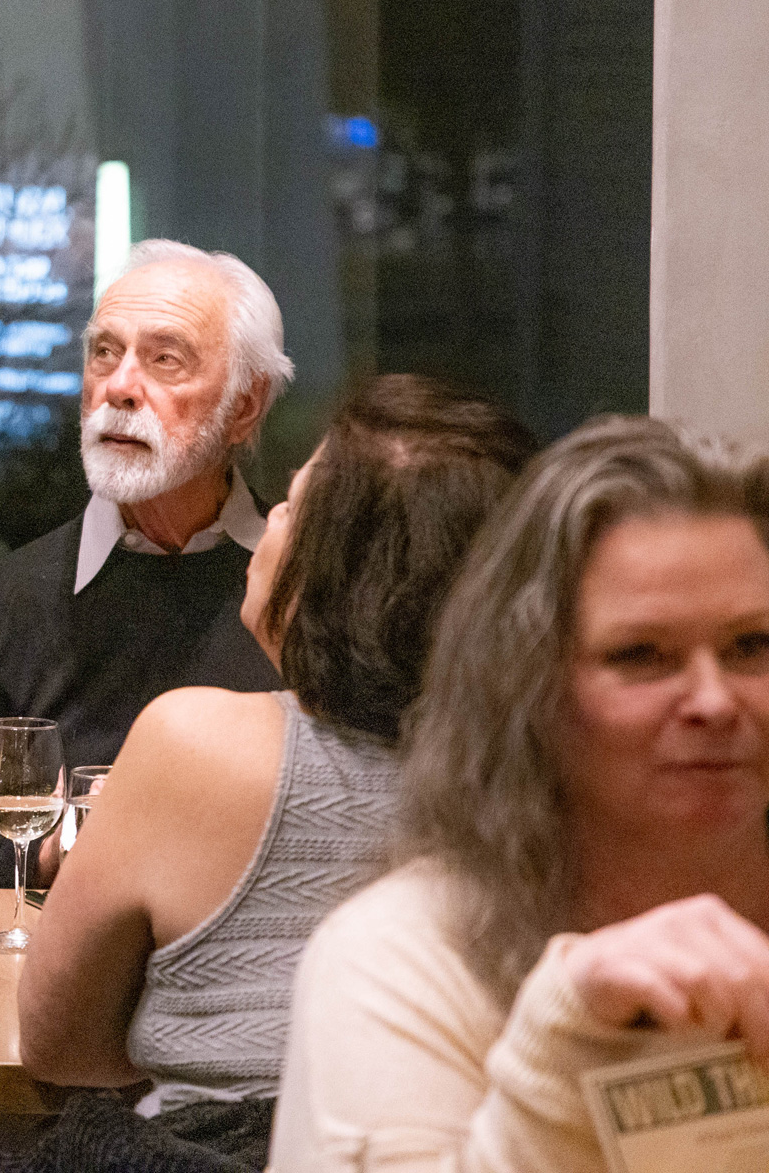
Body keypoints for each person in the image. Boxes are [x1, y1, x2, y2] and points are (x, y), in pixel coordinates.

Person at [3, 376, 534, 1168]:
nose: (272, 520)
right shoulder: (545, 778)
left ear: (348, 575)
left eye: (294, 505)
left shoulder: (194, 743)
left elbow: (58, 1046)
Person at [273, 416, 769, 1172]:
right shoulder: (401, 956)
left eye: (752, 646)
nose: (714, 700)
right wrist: (559, 1050)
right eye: (642, 655)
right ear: (527, 686)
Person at [0, 239, 291, 908]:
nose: (118, 387)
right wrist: (55, 852)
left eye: (165, 358)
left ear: (244, 407)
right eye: (104, 353)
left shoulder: (310, 589)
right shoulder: (8, 604)